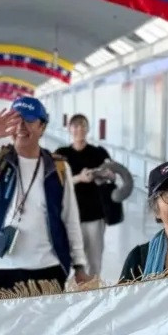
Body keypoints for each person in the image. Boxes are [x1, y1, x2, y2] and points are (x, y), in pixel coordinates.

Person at [0, 95, 91, 291]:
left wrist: (79, 265)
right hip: (4, 265)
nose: (21, 127)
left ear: (42, 127)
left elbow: (70, 219)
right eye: (16, 121)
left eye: (29, 120)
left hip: (49, 266)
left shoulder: (58, 167)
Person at [61, 114, 120, 280]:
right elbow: (57, 183)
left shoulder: (99, 153)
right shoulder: (62, 154)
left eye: (83, 126)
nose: (79, 129)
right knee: (70, 257)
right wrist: (79, 178)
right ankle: (71, 289)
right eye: (76, 126)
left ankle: (91, 290)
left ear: (87, 129)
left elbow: (114, 176)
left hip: (95, 213)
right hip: (69, 215)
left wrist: (109, 175)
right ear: (69, 129)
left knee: (94, 259)